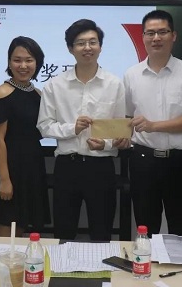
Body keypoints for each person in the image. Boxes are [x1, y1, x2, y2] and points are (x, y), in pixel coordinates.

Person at [37, 19, 130, 241]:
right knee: (64, 232)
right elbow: (44, 126)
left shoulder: (114, 84)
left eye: (92, 42)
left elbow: (120, 129)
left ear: (100, 46)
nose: (87, 47)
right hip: (67, 167)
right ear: (71, 48)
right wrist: (73, 128)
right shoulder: (55, 86)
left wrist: (106, 143)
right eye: (80, 43)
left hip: (102, 168)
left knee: (102, 232)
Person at [124, 9, 182, 236]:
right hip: (142, 161)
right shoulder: (131, 75)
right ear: (143, 37)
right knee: (145, 227)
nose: (156, 38)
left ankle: (180, 261)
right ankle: (147, 261)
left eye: (162, 32)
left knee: (181, 226)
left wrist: (153, 126)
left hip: (177, 162)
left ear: (174, 36)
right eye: (150, 33)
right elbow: (126, 117)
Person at [0, 36, 50, 237]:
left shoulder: (38, 94)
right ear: (9, 62)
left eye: (29, 60)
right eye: (17, 60)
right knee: (8, 229)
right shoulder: (2, 93)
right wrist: (4, 180)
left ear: (37, 62)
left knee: (24, 227)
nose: (23, 65)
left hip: (32, 166)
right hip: (10, 167)